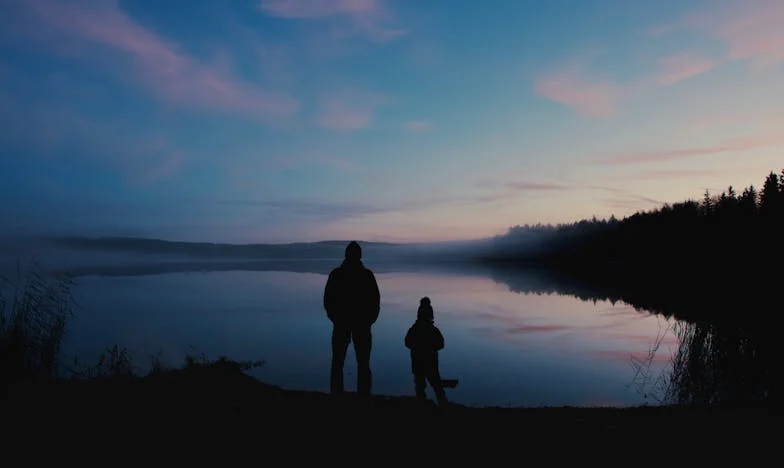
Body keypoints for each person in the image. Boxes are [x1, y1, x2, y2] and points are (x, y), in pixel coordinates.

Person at [323, 241, 381, 397]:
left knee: (339, 363)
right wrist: (368, 320)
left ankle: (338, 396)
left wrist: (335, 318)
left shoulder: (337, 274)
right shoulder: (365, 275)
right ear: (359, 255)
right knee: (360, 364)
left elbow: (328, 300)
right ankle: (363, 397)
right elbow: (375, 301)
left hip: (350, 323)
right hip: (355, 324)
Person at [404, 297, 449, 406]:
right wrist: (431, 348)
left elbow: (407, 343)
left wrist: (417, 347)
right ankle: (442, 405)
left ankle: (423, 405)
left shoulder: (414, 329)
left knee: (420, 386)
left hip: (418, 362)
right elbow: (441, 344)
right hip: (430, 362)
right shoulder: (432, 330)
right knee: (436, 385)